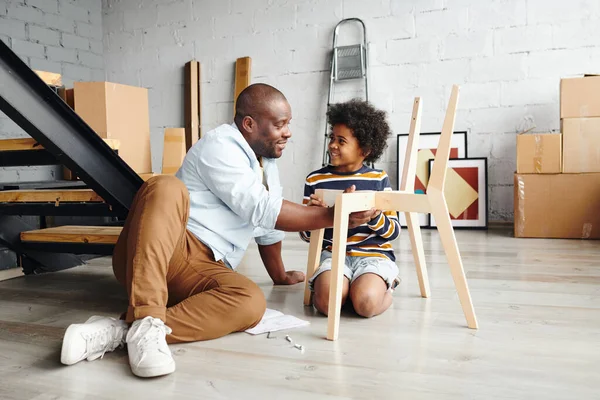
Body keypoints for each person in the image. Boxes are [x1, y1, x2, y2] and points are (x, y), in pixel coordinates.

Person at [59, 84, 380, 378]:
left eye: (289, 123)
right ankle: (145, 314)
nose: (288, 132)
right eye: (280, 124)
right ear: (249, 124)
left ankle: (124, 330)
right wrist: (330, 216)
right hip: (161, 250)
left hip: (203, 269)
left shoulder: (267, 162)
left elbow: (266, 227)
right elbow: (261, 209)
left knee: (251, 302)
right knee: (166, 186)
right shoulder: (220, 145)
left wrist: (279, 275)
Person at [301, 99, 401, 319]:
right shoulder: (316, 180)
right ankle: (349, 292)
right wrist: (313, 216)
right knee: (326, 305)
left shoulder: (378, 179)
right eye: (332, 138)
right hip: (332, 255)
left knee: (366, 305)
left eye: (341, 141)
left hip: (374, 256)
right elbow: (306, 235)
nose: (332, 145)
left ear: (364, 149)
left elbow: (393, 231)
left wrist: (373, 218)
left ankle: (381, 290)